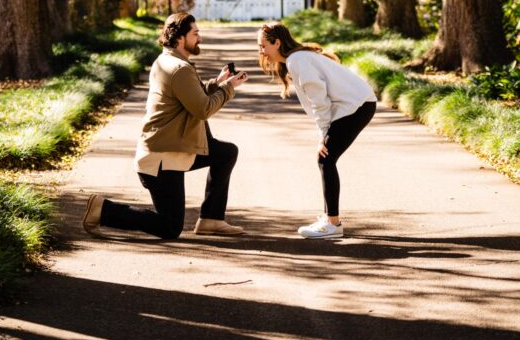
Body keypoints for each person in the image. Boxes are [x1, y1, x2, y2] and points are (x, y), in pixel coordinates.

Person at [83, 12, 248, 240]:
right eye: (195, 33)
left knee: (225, 153)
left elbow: (189, 97)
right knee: (169, 227)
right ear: (180, 38)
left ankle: (211, 218)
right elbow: (202, 109)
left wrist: (217, 84)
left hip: (174, 148)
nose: (199, 38)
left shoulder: (168, 61)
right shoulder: (179, 69)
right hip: (161, 160)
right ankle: (104, 210)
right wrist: (228, 88)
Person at [258, 21, 376, 240]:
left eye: (263, 46)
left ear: (277, 42)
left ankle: (333, 224)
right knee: (326, 159)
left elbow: (318, 98)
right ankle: (329, 219)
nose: (261, 52)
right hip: (357, 103)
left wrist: (323, 133)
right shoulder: (296, 58)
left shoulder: (297, 60)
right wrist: (325, 132)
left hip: (356, 105)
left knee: (326, 159)